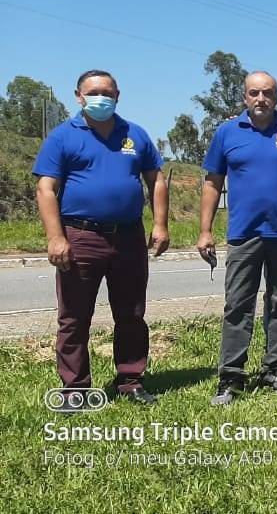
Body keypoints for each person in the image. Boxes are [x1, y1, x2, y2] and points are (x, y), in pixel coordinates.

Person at [32, 69, 168, 404]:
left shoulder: (134, 134)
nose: (100, 98)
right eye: (92, 92)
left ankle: (130, 380)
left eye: (107, 92)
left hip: (129, 238)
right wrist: (55, 237)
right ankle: (75, 388)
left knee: (132, 314)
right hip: (80, 238)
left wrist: (160, 224)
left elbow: (158, 180)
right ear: (78, 96)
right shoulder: (63, 137)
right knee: (74, 318)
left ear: (118, 95)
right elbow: (46, 188)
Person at [199, 71, 277, 406]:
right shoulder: (227, 133)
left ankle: (275, 367)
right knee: (237, 305)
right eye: (254, 93)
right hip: (243, 233)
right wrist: (205, 229)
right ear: (244, 97)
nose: (260, 99)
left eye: (267, 93)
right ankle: (231, 375)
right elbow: (212, 183)